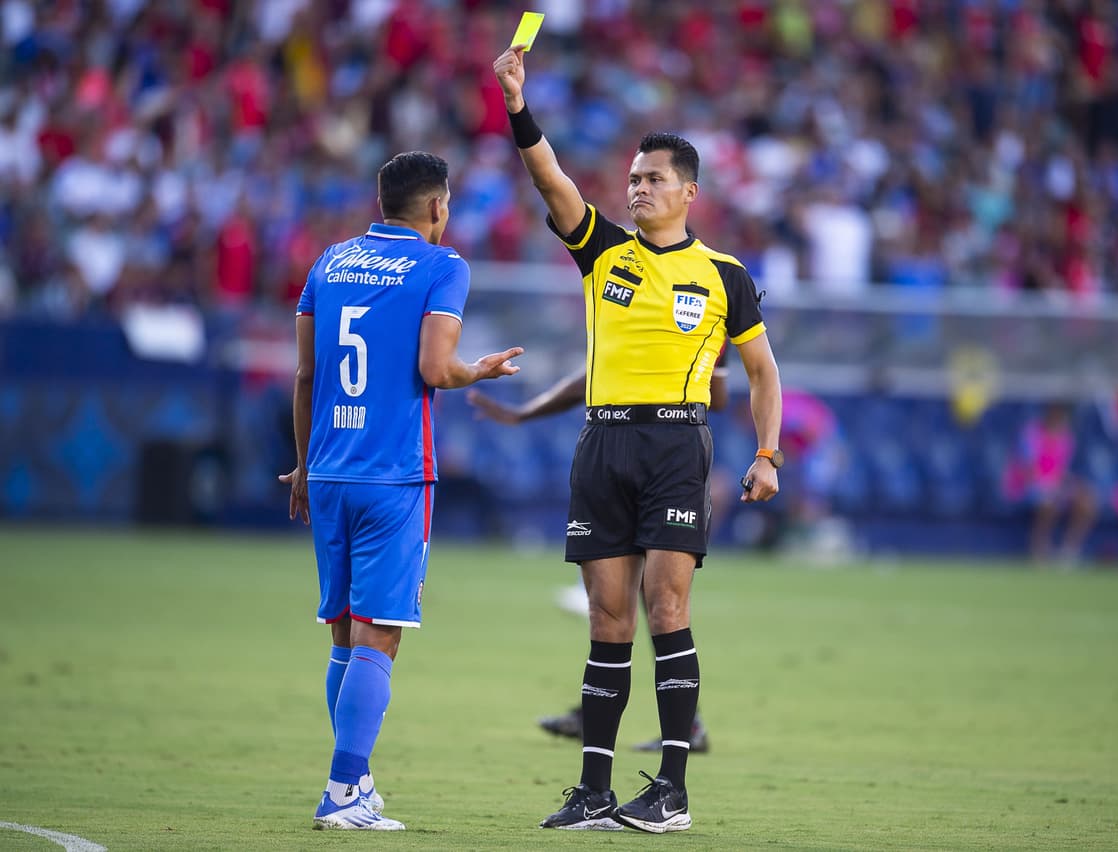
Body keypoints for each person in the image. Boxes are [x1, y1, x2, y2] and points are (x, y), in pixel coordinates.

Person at [493, 44, 784, 834]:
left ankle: (672, 792)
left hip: (675, 447)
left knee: (667, 605)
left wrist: (766, 454)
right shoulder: (603, 251)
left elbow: (762, 374)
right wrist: (518, 104)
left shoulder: (725, 275)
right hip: (604, 445)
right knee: (607, 619)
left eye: (653, 179)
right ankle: (593, 789)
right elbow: (549, 178)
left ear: (689, 190)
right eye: (632, 178)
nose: (638, 188)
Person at [278, 151, 523, 830]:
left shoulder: (328, 262)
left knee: (343, 635)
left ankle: (355, 783)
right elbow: (435, 368)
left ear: (381, 201)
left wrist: (301, 467)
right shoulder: (443, 266)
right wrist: (480, 370)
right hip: (393, 475)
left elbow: (304, 376)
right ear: (438, 207)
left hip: (326, 469)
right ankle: (344, 791)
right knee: (378, 636)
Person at [466, 359, 730, 755]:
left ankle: (673, 726)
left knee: (659, 606)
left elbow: (719, 395)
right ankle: (612, 716)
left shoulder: (709, 300)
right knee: (622, 605)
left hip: (672, 452)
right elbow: (602, 371)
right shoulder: (628, 309)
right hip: (623, 447)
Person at [1006, 401, 1097, 564]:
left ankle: (1069, 552)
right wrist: (1051, 484)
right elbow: (1028, 471)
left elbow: (1062, 472)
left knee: (1086, 500)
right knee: (1048, 499)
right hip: (1027, 486)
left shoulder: (1066, 438)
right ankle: (1040, 550)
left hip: (1055, 486)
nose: (1058, 418)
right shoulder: (1030, 433)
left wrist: (1068, 485)